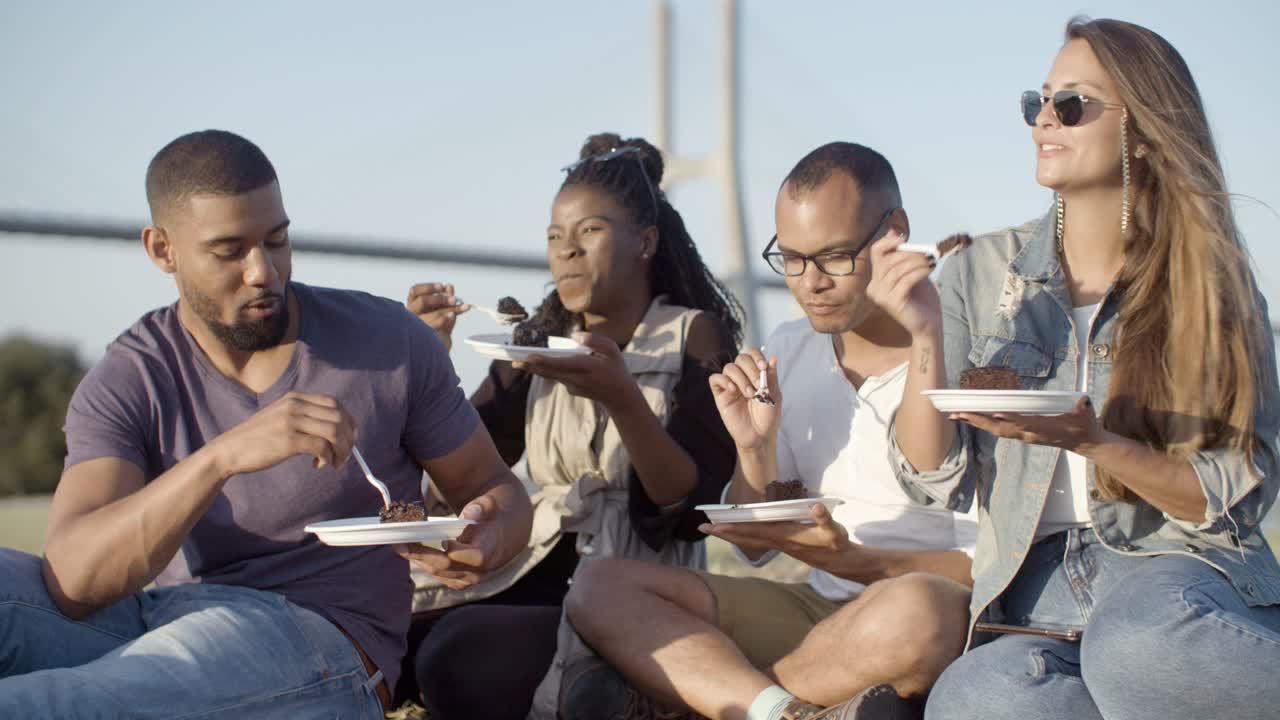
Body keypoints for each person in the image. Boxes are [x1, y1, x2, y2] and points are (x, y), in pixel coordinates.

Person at [0, 130, 533, 719]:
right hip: (155, 620)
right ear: (162, 249)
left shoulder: (390, 343)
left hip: (316, 639)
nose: (263, 271)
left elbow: (496, 491)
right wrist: (221, 458)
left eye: (276, 241)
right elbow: (74, 580)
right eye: (230, 250)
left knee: (50, 706)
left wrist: (490, 537)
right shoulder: (132, 374)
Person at [872, 17, 1280, 720]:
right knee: (975, 699)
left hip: (1176, 573)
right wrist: (923, 333)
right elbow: (930, 477)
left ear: (1144, 132)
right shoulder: (978, 272)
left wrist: (1092, 443)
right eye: (1039, 102)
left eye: (1072, 104)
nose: (1043, 122)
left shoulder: (1209, 283)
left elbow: (1236, 496)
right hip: (1034, 592)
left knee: (1135, 648)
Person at [564, 142, 977, 720]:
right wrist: (753, 447)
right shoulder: (790, 347)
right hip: (820, 611)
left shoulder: (975, 352)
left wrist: (854, 559)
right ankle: (783, 709)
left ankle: (730, 700)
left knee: (917, 614)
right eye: (791, 259)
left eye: (834, 257)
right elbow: (755, 545)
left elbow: (998, 564)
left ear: (895, 231)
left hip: (929, 607)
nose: (810, 283)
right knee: (600, 587)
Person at [403, 133, 742, 719]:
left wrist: (624, 400)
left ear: (646, 241)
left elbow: (691, 513)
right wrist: (427, 361)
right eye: (555, 237)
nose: (568, 251)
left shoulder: (694, 335)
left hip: (635, 587)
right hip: (533, 563)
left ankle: (640, 692)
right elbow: (456, 468)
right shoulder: (536, 345)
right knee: (394, 633)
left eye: (590, 230)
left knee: (456, 656)